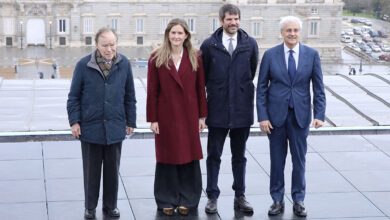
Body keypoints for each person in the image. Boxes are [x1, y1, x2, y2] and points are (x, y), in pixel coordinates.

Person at [256, 16, 326, 218]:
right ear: (282, 33)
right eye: (288, 30)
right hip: (275, 119)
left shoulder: (311, 55)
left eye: (295, 30)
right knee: (277, 161)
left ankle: (298, 199)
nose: (292, 34)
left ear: (299, 32)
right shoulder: (270, 55)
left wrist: (320, 114)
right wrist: (262, 116)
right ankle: (277, 200)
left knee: (299, 161)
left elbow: (319, 88)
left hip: (300, 117)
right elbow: (261, 89)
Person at [67, 28, 136, 219]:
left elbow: (130, 96)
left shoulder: (124, 65)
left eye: (112, 44)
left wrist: (131, 121)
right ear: (96, 45)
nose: (109, 49)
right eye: (105, 45)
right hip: (90, 128)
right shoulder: (83, 65)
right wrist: (74, 121)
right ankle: (90, 207)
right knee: (91, 171)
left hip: (115, 126)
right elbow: (73, 97)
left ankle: (110, 206)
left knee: (113, 172)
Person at [200, 4, 258, 214]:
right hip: (217, 110)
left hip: (241, 110)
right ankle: (212, 196)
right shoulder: (209, 45)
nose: (233, 23)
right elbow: (203, 78)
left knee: (239, 156)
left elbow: (251, 72)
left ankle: (240, 195)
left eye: (236, 19)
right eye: (229, 19)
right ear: (221, 21)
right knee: (214, 155)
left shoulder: (250, 44)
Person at [146, 18, 207, 216]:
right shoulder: (156, 57)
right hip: (166, 116)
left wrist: (202, 116)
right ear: (167, 35)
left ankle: (188, 198)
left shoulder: (195, 56)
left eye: (180, 33)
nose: (176, 36)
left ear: (186, 35)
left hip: (189, 114)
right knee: (167, 158)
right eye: (173, 33)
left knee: (189, 158)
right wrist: (153, 119)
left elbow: (200, 89)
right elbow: (152, 91)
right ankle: (166, 199)